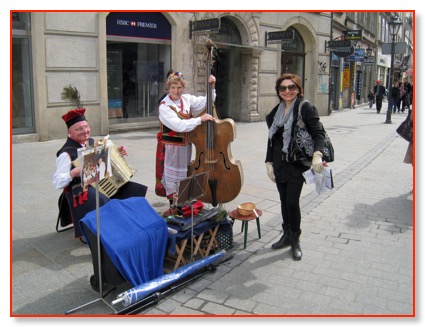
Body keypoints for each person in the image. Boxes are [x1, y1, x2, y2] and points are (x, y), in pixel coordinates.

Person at [52, 108, 148, 239]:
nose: (85, 131)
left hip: (100, 180)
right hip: (79, 188)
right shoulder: (66, 153)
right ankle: (105, 232)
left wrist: (117, 153)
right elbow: (57, 182)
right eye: (79, 129)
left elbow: (102, 162)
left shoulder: (92, 142)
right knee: (101, 199)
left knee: (133, 189)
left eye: (86, 127)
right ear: (69, 132)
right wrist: (74, 171)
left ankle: (127, 223)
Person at [265, 73, 326, 261]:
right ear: (278, 91)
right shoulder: (276, 113)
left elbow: (319, 134)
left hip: (297, 163)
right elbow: (272, 140)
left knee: (292, 202)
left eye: (291, 87)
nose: (287, 91)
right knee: (283, 201)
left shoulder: (305, 108)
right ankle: (286, 234)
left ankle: (295, 239)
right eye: (283, 88)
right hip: (279, 163)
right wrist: (268, 161)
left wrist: (317, 154)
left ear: (298, 89)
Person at [156, 71, 216, 215]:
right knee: (173, 177)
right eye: (173, 88)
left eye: (179, 87)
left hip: (185, 146)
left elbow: (206, 101)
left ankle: (182, 205)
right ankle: (173, 207)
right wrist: (199, 120)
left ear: (183, 87)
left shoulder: (186, 99)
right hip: (171, 147)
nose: (176, 91)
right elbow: (179, 126)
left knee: (184, 176)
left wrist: (212, 87)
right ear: (168, 88)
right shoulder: (165, 106)